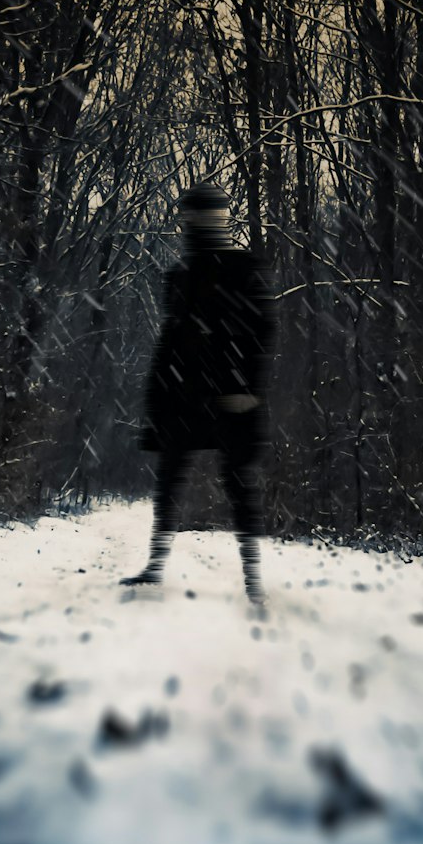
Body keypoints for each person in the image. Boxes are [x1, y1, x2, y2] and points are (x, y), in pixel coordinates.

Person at [121, 182, 276, 605]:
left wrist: (247, 388)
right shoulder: (181, 276)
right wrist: (156, 401)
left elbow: (263, 329)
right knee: (169, 481)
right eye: (190, 216)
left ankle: (253, 579)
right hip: (184, 397)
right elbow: (169, 341)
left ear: (218, 218)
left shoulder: (243, 268)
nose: (194, 223)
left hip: (228, 398)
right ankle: (155, 566)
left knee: (239, 485)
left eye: (201, 215)